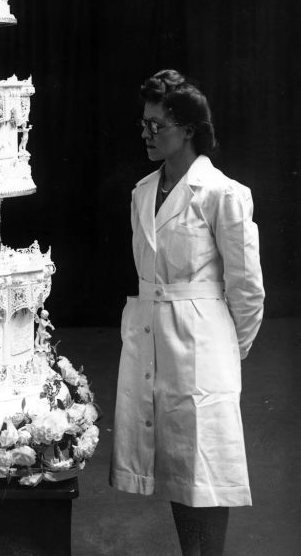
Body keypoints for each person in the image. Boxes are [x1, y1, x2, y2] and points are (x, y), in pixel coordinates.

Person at [110, 69, 264, 556]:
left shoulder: (222, 194)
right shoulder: (141, 192)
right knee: (177, 463)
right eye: (144, 125)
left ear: (189, 130)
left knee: (206, 465)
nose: (148, 135)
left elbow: (247, 288)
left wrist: (226, 351)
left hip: (202, 341)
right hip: (152, 334)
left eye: (158, 126)